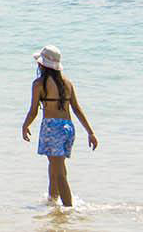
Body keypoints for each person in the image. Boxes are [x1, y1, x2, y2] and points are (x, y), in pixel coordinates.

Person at [21, 45, 97, 207]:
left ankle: (68, 210)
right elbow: (76, 109)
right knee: (55, 166)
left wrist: (25, 125)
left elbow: (33, 111)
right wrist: (90, 132)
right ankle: (52, 201)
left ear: (42, 65)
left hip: (52, 127)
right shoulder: (67, 83)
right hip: (68, 128)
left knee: (60, 172)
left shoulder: (39, 84)